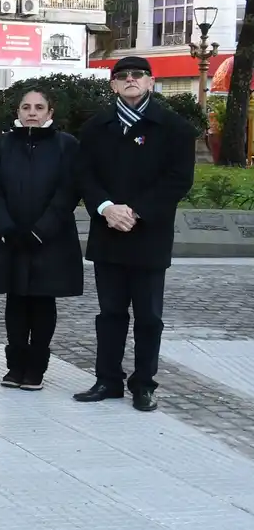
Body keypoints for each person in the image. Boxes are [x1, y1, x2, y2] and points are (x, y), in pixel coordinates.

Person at [74, 55, 196, 412]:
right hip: (108, 230)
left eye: (138, 75)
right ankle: (107, 379)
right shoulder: (96, 127)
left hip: (149, 235)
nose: (130, 80)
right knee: (109, 313)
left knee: (148, 317)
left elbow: (178, 180)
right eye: (122, 76)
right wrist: (106, 208)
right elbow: (85, 176)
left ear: (150, 82)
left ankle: (144, 384)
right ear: (112, 84)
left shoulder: (175, 127)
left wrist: (136, 211)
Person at [0, 88, 84, 391]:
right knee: (15, 301)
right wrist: (6, 227)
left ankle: (36, 367)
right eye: (26, 107)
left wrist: (41, 230)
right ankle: (15, 366)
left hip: (50, 239)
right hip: (9, 237)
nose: (32, 112)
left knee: (42, 302)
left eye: (39, 107)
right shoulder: (2, 144)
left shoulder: (67, 145)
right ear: (18, 111)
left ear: (50, 112)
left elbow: (67, 192)